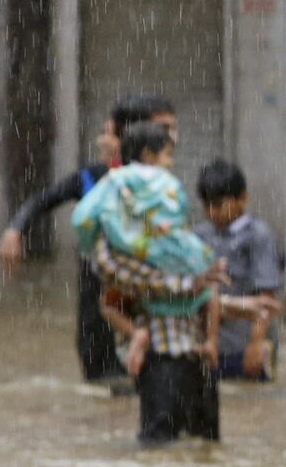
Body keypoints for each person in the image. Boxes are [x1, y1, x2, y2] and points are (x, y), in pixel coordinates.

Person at [0, 94, 176, 382]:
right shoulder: (94, 179)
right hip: (100, 309)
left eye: (107, 132)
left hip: (144, 312)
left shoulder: (163, 188)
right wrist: (15, 229)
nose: (101, 140)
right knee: (107, 383)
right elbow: (45, 199)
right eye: (166, 130)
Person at [74, 122, 220, 378]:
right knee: (210, 285)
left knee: (108, 305)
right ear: (149, 155)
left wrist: (91, 245)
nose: (171, 162)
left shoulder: (114, 179)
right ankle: (209, 341)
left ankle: (135, 334)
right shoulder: (166, 181)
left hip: (120, 259)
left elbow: (82, 217)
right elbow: (177, 215)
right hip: (166, 256)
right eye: (167, 155)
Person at [194, 159, 280, 381]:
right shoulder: (200, 235)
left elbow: (265, 294)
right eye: (207, 205)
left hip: (243, 344)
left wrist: (256, 343)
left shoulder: (257, 235)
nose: (212, 212)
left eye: (219, 204)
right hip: (210, 345)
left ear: (242, 198)